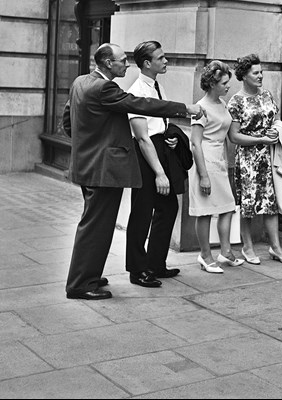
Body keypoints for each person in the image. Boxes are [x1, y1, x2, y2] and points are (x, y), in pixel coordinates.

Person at [62, 43, 204, 300]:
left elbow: (67, 123)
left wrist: (90, 144)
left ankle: (89, 274)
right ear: (107, 64)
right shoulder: (105, 88)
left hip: (89, 165)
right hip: (104, 169)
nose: (126, 64)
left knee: (95, 225)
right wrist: (185, 108)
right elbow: (141, 105)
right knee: (96, 228)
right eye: (122, 60)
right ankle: (80, 284)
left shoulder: (81, 82)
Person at [126, 41, 192, 288]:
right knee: (141, 214)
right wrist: (159, 173)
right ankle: (137, 270)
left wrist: (171, 137)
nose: (166, 62)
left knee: (168, 208)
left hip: (161, 150)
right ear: (147, 63)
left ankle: (155, 264)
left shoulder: (157, 86)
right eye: (161, 58)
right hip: (146, 158)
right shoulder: (137, 91)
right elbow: (143, 138)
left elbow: (159, 125)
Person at [227, 54, 282, 264]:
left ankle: (276, 247)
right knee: (248, 204)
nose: (260, 76)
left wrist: (275, 132)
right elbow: (234, 136)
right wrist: (261, 138)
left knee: (271, 203)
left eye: (261, 72)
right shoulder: (236, 101)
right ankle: (247, 247)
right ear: (244, 76)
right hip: (248, 159)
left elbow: (276, 120)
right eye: (255, 73)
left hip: (269, 156)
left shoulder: (267, 96)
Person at [189, 60, 244, 274]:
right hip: (206, 161)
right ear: (212, 84)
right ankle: (205, 255)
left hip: (219, 161)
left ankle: (225, 252)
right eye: (223, 83)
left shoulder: (222, 104)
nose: (227, 86)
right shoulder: (200, 108)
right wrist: (203, 175)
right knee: (204, 212)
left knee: (228, 207)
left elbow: (230, 134)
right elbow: (195, 143)